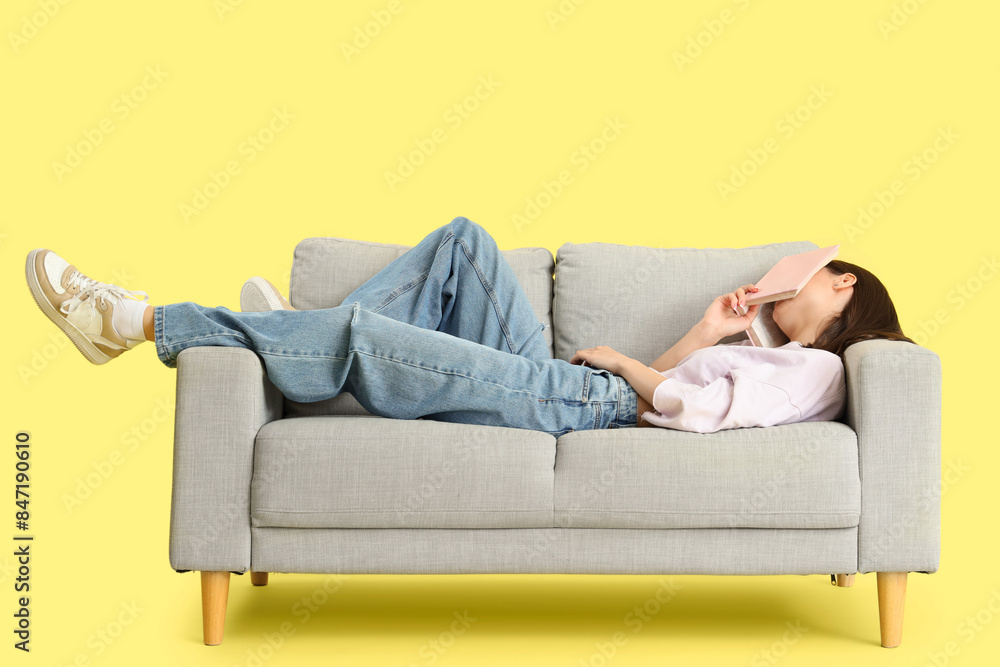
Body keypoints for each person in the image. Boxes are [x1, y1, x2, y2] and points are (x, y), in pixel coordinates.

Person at [24, 216, 916, 435]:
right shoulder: (777, 356)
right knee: (462, 245)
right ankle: (297, 335)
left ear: (843, 290)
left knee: (372, 343)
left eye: (815, 278)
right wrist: (706, 328)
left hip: (588, 404)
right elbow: (682, 387)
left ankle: (133, 321)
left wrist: (625, 369)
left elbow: (682, 412)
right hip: (597, 391)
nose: (792, 284)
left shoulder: (822, 372)